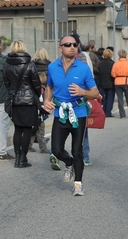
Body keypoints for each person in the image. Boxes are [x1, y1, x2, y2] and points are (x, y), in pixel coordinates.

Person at [44, 35, 99, 196]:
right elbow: (49, 87)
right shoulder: (53, 67)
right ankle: (69, 163)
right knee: (56, 149)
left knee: (77, 150)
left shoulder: (83, 69)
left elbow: (95, 93)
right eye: (68, 44)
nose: (72, 47)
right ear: (60, 48)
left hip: (78, 113)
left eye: (75, 44)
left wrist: (83, 92)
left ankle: (78, 184)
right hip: (60, 113)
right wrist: (46, 100)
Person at [3, 40, 41, 167]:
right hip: (29, 101)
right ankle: (23, 158)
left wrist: (13, 91)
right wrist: (38, 94)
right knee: (27, 129)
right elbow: (36, 83)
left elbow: (6, 82)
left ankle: (17, 158)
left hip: (15, 100)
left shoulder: (7, 64)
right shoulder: (30, 64)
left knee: (18, 129)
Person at [0, 35, 15, 161]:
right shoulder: (3, 60)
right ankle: (2, 152)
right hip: (1, 97)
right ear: (0, 47)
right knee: (3, 125)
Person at [28, 72, 50, 153]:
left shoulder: (33, 89)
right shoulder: (42, 90)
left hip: (33, 114)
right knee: (40, 132)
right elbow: (42, 103)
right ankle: (43, 148)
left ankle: (28, 145)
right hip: (39, 115)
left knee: (33, 131)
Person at [99, 49, 116, 117]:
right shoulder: (112, 63)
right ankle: (108, 112)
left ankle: (104, 110)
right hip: (110, 82)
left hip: (102, 81)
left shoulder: (100, 63)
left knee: (104, 97)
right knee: (110, 97)